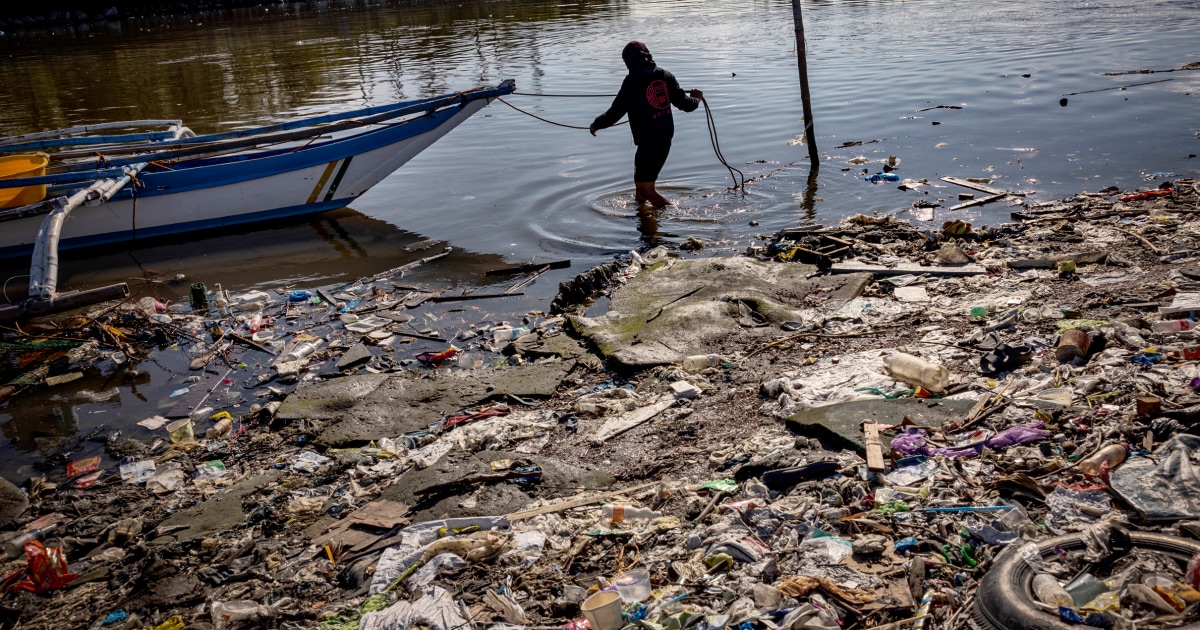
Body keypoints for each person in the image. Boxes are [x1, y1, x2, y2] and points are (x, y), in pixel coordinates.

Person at [589, 41, 703, 208]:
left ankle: (675, 213)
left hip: (650, 143)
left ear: (628, 61)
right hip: (660, 140)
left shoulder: (631, 81)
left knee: (646, 189)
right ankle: (643, 218)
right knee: (640, 189)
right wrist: (697, 98)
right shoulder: (665, 76)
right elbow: (686, 105)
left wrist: (596, 125)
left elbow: (615, 113)